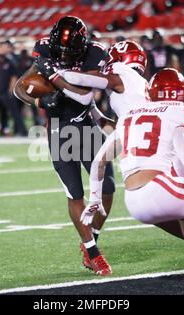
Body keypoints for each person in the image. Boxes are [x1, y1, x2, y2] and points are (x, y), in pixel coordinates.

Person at [57, 44, 184, 275]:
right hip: (155, 146)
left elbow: (86, 81)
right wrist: (95, 112)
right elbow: (121, 130)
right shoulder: (136, 86)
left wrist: (55, 73)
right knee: (177, 211)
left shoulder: (121, 74)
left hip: (163, 151)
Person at [83, 68, 184, 287]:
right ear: (181, 93)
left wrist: (94, 199)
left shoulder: (129, 114)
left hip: (134, 202)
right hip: (158, 187)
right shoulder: (179, 111)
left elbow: (99, 162)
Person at [14, 16, 115, 276]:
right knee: (75, 193)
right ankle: (92, 251)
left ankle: (91, 236)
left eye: (70, 54)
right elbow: (19, 88)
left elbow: (85, 96)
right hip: (60, 130)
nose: (65, 56)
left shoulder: (95, 53)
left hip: (88, 127)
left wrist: (56, 77)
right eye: (61, 54)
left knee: (108, 189)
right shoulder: (45, 48)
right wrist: (40, 102)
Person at [0, 41, 26, 137]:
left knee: (15, 113)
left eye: (3, 47)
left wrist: (11, 91)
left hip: (6, 93)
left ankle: (22, 131)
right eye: (0, 48)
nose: (2, 49)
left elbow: (14, 77)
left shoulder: (11, 62)